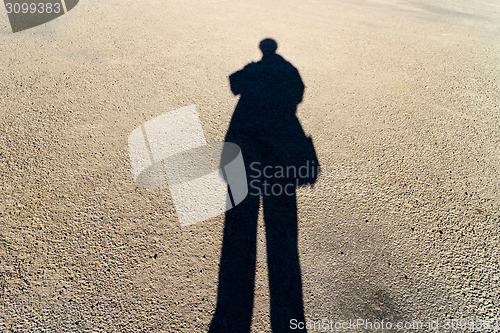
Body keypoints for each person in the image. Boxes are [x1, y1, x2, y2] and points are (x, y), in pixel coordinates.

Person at [210, 39, 317, 333]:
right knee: (281, 233)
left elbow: (233, 83)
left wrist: (252, 76)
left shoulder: (253, 69)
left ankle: (233, 312)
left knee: (240, 226)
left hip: (246, 149)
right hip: (280, 150)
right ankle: (286, 312)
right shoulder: (289, 70)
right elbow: (299, 94)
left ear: (262, 49)